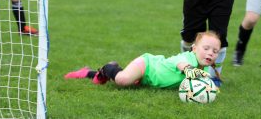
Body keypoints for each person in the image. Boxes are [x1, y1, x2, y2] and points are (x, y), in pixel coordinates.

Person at [65, 32, 221, 88]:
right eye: (206, 48)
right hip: (148, 66)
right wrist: (188, 69)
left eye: (215, 51)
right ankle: (108, 67)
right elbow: (181, 64)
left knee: (124, 81)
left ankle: (87, 72)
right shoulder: (189, 58)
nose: (210, 53)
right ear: (194, 48)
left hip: (149, 80)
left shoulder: (205, 69)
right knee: (123, 80)